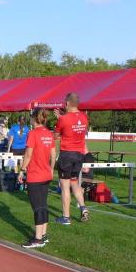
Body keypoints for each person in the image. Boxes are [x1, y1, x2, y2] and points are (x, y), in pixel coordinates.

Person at [18, 108, 56, 248]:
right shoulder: (49, 134)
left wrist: (22, 170)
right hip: (46, 174)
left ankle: (38, 239)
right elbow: (53, 154)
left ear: (34, 118)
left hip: (35, 175)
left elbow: (28, 155)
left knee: (37, 207)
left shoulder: (33, 133)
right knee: (43, 205)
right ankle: (44, 235)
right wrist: (51, 169)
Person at [53, 93, 90, 225]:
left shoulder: (63, 119)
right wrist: (62, 117)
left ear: (67, 103)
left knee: (65, 186)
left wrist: (60, 119)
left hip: (67, 154)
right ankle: (83, 208)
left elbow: (55, 136)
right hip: (79, 155)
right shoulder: (84, 117)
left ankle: (66, 217)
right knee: (74, 182)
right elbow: (75, 128)